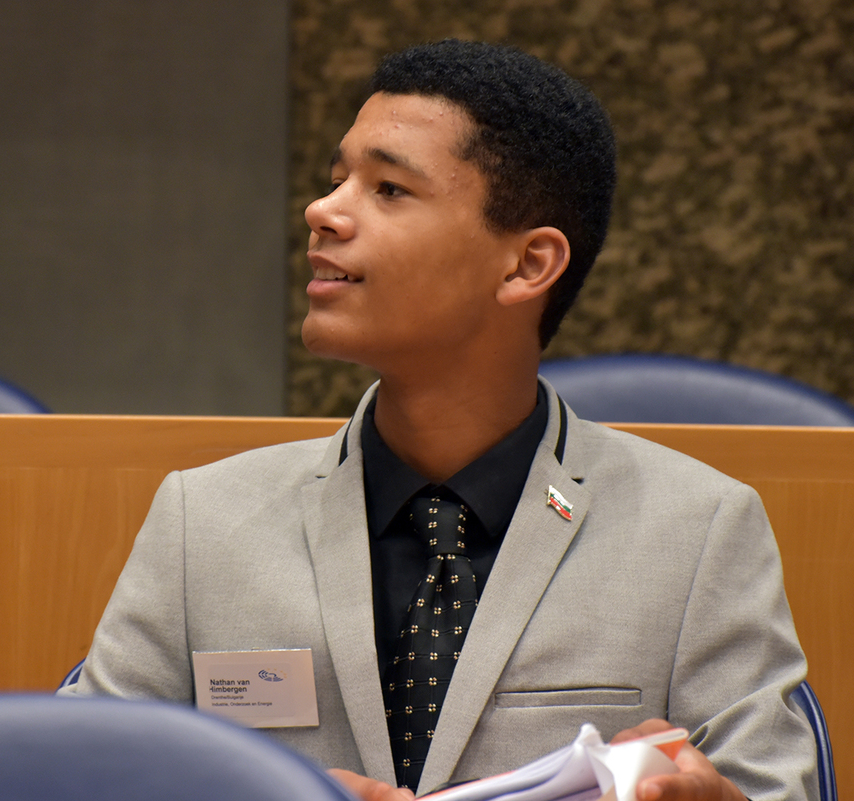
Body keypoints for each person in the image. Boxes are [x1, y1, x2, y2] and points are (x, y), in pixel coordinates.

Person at [60, 40, 817, 801]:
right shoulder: (203, 522)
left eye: (388, 188)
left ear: (527, 265)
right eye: (336, 180)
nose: (322, 211)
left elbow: (771, 789)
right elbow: (69, 779)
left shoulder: (699, 529)